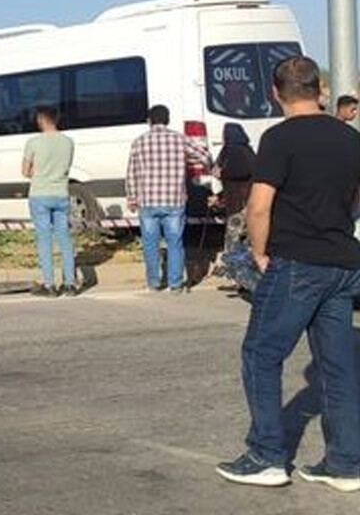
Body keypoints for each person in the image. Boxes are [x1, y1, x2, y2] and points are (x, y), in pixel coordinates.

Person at [215, 56, 360, 492]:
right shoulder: (350, 137)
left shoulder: (278, 138)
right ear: (319, 89)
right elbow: (357, 200)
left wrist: (259, 253)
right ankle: (346, 463)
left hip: (297, 261)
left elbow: (259, 206)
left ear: (276, 94)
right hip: (344, 263)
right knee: (338, 366)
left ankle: (266, 455)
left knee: (261, 354)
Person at [125, 104, 213, 293]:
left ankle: (154, 282)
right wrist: (190, 163)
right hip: (174, 199)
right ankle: (175, 283)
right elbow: (205, 156)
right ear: (168, 119)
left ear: (150, 121)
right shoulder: (179, 139)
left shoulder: (139, 142)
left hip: (148, 200)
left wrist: (132, 199)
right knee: (175, 242)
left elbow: (132, 173)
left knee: (150, 243)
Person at [22, 106, 76, 297]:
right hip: (61, 193)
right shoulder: (68, 142)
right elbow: (66, 167)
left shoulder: (33, 142)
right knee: (64, 239)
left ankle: (49, 285)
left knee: (44, 239)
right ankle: (70, 284)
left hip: (40, 195)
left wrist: (38, 170)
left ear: (43, 119)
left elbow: (25, 171)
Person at [211, 123, 255, 268]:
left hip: (237, 204)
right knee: (247, 240)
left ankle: (237, 271)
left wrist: (221, 173)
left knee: (234, 240)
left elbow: (237, 171)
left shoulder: (232, 152)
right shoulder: (248, 151)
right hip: (249, 203)